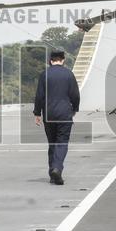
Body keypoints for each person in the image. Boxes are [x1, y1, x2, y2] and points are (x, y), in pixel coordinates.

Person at [33, 49, 80, 185]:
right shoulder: (69, 74)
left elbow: (39, 96)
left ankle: (52, 173)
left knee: (52, 143)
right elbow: (75, 95)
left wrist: (37, 113)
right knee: (62, 142)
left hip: (49, 114)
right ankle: (57, 168)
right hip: (65, 113)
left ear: (50, 60)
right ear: (63, 60)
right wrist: (75, 108)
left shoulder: (44, 74)